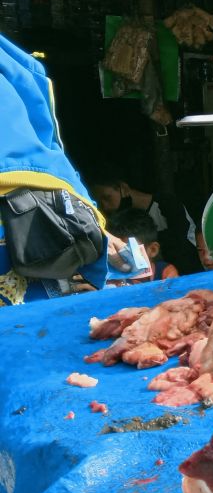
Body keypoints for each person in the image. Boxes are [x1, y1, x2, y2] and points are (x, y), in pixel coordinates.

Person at [1, 33, 127, 304]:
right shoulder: (14, 62)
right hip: (33, 224)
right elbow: (48, 152)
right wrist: (92, 221)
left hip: (27, 226)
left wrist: (94, 224)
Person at [88, 172, 204, 274]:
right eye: (99, 201)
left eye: (107, 197)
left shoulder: (167, 204)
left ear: (124, 188)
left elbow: (181, 239)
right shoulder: (117, 219)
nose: (105, 206)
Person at [106, 208, 180, 280]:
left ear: (153, 250)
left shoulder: (166, 271)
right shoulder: (112, 278)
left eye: (128, 251)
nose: (121, 258)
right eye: (116, 251)